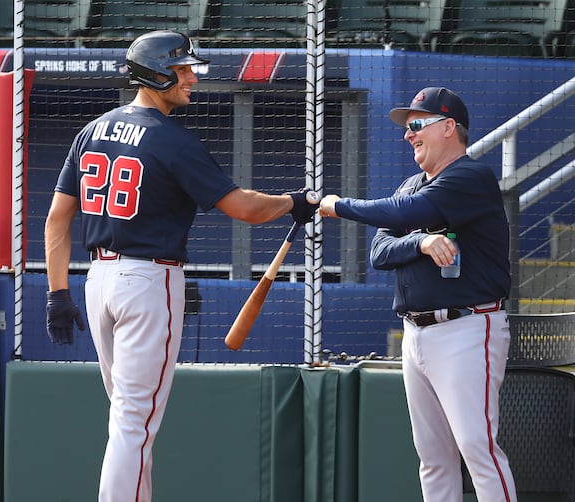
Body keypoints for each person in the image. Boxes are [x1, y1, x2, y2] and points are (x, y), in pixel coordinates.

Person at [44, 30, 316, 502]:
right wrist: (293, 201)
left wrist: (57, 293)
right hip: (147, 282)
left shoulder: (93, 129)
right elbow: (245, 209)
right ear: (154, 73)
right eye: (182, 69)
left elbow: (56, 221)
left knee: (129, 420)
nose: (192, 77)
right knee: (134, 424)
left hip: (97, 282)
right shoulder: (170, 139)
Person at [319, 87, 517, 501]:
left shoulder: (470, 176)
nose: (408, 134)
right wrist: (421, 244)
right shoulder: (413, 183)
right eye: (407, 127)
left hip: (467, 326)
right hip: (417, 332)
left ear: (448, 128)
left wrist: (336, 205)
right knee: (432, 456)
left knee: (477, 448)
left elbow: (402, 214)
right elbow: (379, 251)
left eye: (417, 125)